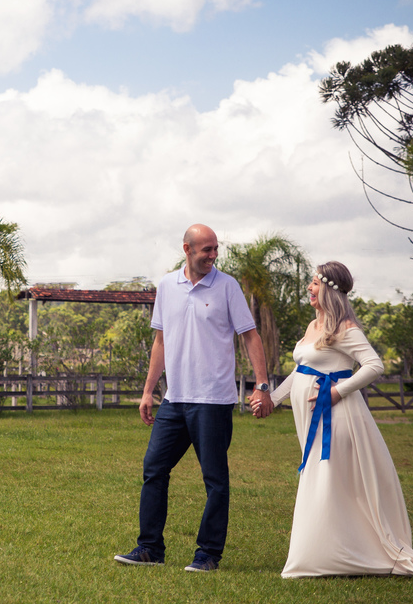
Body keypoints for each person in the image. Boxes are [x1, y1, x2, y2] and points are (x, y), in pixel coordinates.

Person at [259, 261, 413, 579]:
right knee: (329, 483)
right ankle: (336, 551)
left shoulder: (346, 328)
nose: (309, 289)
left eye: (314, 283)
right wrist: (273, 399)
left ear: (328, 288)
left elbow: (374, 365)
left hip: (336, 419)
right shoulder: (315, 326)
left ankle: (319, 557)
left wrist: (337, 392)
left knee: (326, 480)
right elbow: (301, 371)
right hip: (312, 417)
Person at [114, 224, 274, 572]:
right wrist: (148, 391)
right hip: (174, 399)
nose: (213, 255)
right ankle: (150, 548)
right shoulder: (167, 286)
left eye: (216, 249)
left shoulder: (227, 286)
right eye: (206, 250)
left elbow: (249, 336)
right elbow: (161, 341)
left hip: (213, 400)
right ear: (187, 248)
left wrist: (262, 385)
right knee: (154, 469)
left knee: (215, 479)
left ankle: (208, 554)